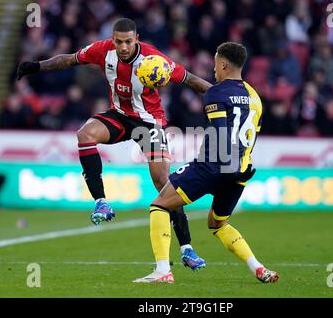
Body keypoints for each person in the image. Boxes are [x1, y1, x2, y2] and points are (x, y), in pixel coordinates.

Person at [16, 18, 212, 270]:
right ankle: (101, 202)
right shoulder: (102, 50)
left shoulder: (154, 60)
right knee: (85, 134)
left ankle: (187, 249)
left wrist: (219, 93)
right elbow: (69, 59)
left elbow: (189, 79)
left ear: (136, 39)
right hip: (119, 116)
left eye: (128, 41)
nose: (123, 47)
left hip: (149, 123)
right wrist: (36, 66)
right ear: (113, 39)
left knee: (163, 183)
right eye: (119, 41)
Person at [133, 42, 279, 284]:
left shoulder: (216, 93)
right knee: (218, 223)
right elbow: (252, 135)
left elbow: (221, 132)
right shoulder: (255, 98)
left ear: (223, 64)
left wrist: (208, 163)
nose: (213, 70)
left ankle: (162, 271)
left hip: (212, 166)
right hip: (241, 170)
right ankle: (259, 268)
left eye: (214, 64)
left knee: (159, 205)